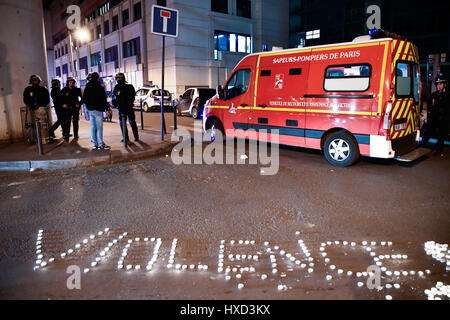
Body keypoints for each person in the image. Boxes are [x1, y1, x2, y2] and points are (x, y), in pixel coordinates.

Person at [83, 72, 110, 150]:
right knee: (99, 127)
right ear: (98, 78)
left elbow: (84, 99)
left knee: (93, 127)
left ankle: (94, 144)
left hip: (90, 110)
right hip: (98, 109)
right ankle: (101, 144)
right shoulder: (99, 87)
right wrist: (106, 109)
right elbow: (103, 99)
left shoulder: (87, 86)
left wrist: (88, 106)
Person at [23, 75, 50, 142]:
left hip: (41, 108)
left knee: (43, 124)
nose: (36, 81)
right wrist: (30, 105)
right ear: (31, 81)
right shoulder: (28, 89)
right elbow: (25, 99)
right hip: (32, 109)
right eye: (34, 80)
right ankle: (34, 139)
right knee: (33, 125)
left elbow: (47, 99)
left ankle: (44, 138)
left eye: (37, 80)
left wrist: (42, 105)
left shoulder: (43, 89)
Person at [113, 73, 139, 143]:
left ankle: (136, 136)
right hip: (121, 108)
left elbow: (132, 97)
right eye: (117, 78)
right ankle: (125, 137)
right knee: (122, 123)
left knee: (132, 122)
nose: (118, 79)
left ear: (123, 78)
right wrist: (116, 104)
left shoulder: (129, 87)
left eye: (120, 78)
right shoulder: (116, 87)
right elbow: (114, 97)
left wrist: (129, 103)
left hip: (128, 107)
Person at [60, 77, 82, 141]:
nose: (71, 83)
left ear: (74, 83)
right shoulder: (64, 90)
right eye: (70, 82)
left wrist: (79, 104)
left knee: (75, 122)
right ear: (68, 83)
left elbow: (82, 98)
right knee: (67, 122)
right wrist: (63, 104)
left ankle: (76, 135)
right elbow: (61, 98)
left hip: (75, 108)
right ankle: (66, 135)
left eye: (72, 82)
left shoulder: (77, 90)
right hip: (67, 108)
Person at [432, 79, 450, 156]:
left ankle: (439, 149)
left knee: (441, 135)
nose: (438, 86)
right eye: (437, 85)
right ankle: (422, 145)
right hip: (435, 117)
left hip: (444, 118)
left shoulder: (447, 95)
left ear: (444, 85)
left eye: (440, 84)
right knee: (430, 131)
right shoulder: (434, 94)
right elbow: (431, 104)